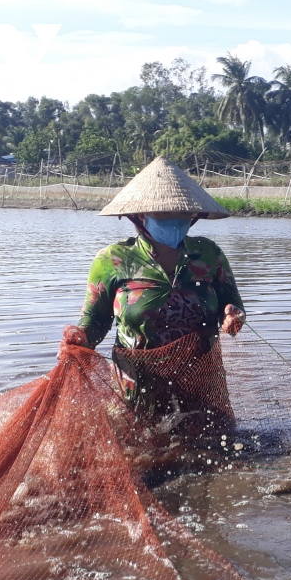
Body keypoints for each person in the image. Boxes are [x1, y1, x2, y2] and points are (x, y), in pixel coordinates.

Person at [68, 156, 245, 438]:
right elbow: (95, 319)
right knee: (143, 450)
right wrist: (80, 337)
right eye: (164, 214)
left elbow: (232, 303)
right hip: (137, 381)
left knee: (210, 446)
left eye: (182, 214)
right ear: (141, 217)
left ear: (194, 217)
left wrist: (232, 316)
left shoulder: (209, 255)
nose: (175, 221)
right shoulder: (113, 260)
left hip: (199, 376)